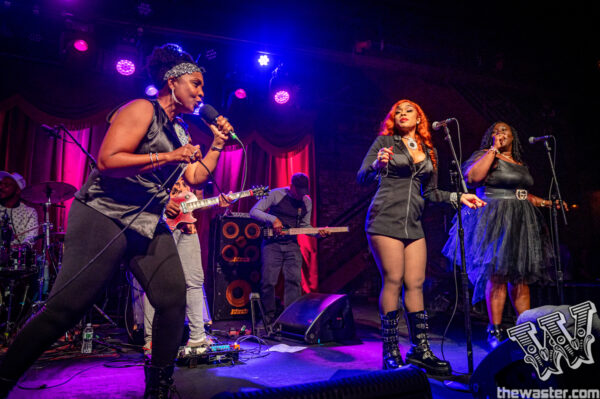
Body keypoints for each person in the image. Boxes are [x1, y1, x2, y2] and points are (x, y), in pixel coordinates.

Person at [0, 43, 233, 399]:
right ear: (173, 81)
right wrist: (170, 155)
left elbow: (196, 176)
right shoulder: (142, 109)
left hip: (147, 221)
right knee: (65, 309)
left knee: (172, 299)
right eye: (196, 83)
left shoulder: (181, 129)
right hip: (103, 213)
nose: (201, 92)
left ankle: (158, 386)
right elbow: (108, 160)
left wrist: (216, 144)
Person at [356, 100, 485, 375]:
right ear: (394, 119)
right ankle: (390, 351)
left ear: (419, 118)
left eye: (408, 110)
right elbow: (361, 176)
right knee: (393, 279)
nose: (402, 114)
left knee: (415, 284)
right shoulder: (384, 143)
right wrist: (377, 165)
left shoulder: (429, 150)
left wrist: (459, 196)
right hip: (384, 218)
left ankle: (420, 350)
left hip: (413, 225)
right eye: (398, 111)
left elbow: (431, 194)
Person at [442, 121, 564, 348]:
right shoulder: (487, 155)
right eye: (495, 131)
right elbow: (473, 179)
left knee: (520, 276)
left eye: (504, 130)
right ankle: (495, 330)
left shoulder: (519, 162)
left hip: (520, 220)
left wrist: (547, 202)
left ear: (513, 136)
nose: (499, 133)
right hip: (494, 218)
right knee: (497, 273)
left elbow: (522, 193)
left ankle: (524, 329)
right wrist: (492, 150)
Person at [142, 177, 226, 354]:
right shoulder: (159, 155)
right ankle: (151, 340)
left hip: (187, 226)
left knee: (194, 281)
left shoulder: (193, 169)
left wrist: (218, 202)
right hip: (159, 224)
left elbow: (197, 203)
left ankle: (197, 338)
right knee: (155, 282)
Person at [249, 173, 328, 325]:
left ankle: (290, 318)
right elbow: (254, 211)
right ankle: (268, 318)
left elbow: (305, 227)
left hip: (292, 245)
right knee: (268, 282)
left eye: (303, 192)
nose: (301, 196)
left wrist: (318, 234)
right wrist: (273, 219)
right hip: (272, 244)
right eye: (298, 192)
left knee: (294, 281)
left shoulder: (306, 201)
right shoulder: (276, 194)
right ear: (291, 187)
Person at [0, 172, 38, 248]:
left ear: (18, 190)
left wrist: (21, 247)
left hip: (16, 257)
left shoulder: (29, 212)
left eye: (6, 185)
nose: (1, 187)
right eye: (1, 184)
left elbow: (31, 238)